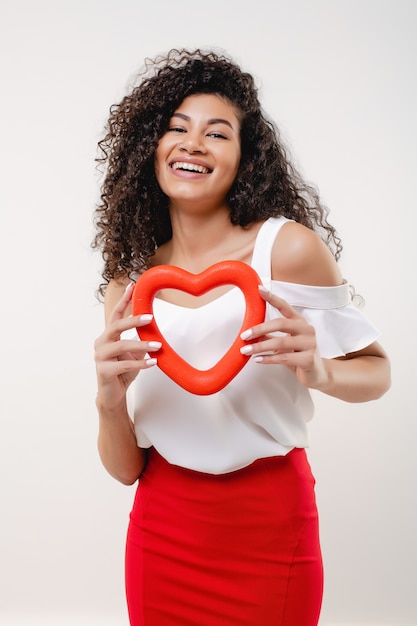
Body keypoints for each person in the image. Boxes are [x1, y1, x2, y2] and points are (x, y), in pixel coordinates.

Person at [92, 48, 390, 626]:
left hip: (270, 522)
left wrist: (322, 371)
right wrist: (107, 400)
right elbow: (127, 469)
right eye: (176, 128)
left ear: (244, 158)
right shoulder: (130, 289)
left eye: (217, 133)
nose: (192, 143)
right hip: (163, 528)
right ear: (149, 149)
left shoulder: (287, 250)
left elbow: (377, 371)